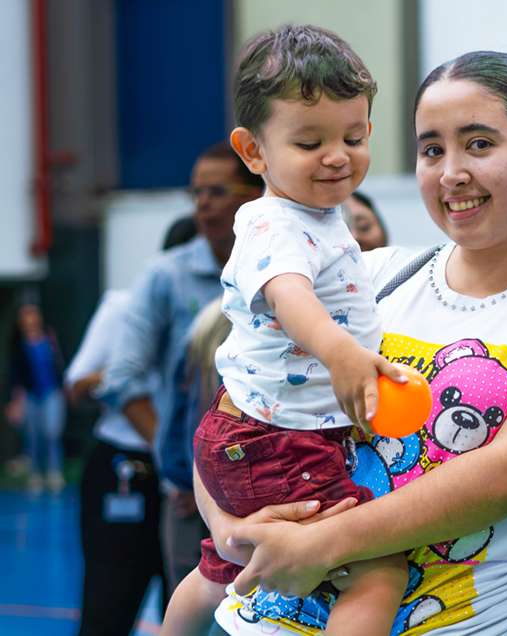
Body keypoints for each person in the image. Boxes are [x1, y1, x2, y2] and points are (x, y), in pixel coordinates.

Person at [187, 50, 507, 636]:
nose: (450, 172)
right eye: (431, 149)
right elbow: (243, 404)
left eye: (479, 144)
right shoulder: (372, 275)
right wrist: (230, 527)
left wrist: (322, 543)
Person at [160, 24, 411, 636]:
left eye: (353, 136)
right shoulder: (275, 225)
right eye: (309, 141)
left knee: (224, 566)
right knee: (377, 565)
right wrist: (341, 354)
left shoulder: (319, 217)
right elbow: (288, 294)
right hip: (278, 441)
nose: (337, 155)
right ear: (253, 152)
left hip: (252, 428)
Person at [101, 140, 262, 601]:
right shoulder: (164, 277)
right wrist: (184, 471)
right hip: (192, 499)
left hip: (273, 484)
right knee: (194, 610)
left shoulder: (284, 273)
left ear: (255, 195)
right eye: (195, 193)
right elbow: (122, 381)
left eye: (216, 190)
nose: (202, 204)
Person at [68, 290, 167, 635]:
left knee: (188, 611)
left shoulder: (231, 306)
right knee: (108, 606)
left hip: (189, 475)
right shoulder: (126, 307)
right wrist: (120, 373)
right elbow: (77, 387)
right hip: (125, 467)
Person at [7, 302, 67, 496]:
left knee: (51, 432)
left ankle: (54, 471)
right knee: (32, 434)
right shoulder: (18, 344)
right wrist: (14, 401)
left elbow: (60, 365)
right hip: (30, 394)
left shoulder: (50, 338)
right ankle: (35, 474)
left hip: (52, 392)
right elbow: (14, 375)